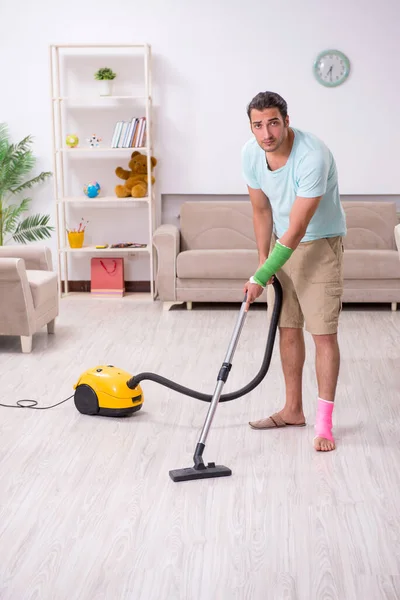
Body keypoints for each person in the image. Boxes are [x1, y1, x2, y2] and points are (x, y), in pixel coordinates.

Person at [241, 91, 346, 452]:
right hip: (279, 247)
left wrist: (262, 273)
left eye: (273, 122)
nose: (266, 132)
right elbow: (260, 211)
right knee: (287, 329)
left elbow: (299, 228)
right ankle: (292, 410)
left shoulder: (312, 156)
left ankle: (324, 425)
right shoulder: (251, 154)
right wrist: (262, 264)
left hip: (318, 246)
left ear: (286, 120)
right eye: (258, 125)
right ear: (251, 127)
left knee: (322, 334)